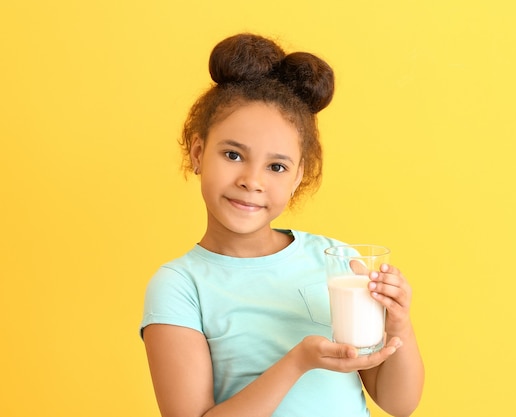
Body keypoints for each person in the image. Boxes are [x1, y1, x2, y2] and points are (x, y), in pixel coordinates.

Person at [140, 33, 425, 417]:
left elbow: (398, 403)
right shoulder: (179, 286)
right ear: (198, 153)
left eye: (276, 166)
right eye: (233, 154)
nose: (252, 180)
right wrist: (297, 362)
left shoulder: (338, 262)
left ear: (297, 177)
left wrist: (399, 324)